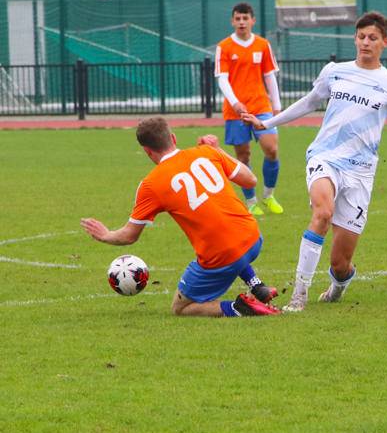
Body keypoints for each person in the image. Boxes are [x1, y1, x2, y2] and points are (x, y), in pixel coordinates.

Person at [243, 11, 387, 312]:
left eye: (373, 38)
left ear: (385, 43)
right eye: (361, 37)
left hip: (361, 173)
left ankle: (339, 284)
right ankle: (298, 297)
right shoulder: (334, 71)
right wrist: (268, 123)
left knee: (340, 263)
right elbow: (310, 102)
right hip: (324, 157)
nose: (366, 42)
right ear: (355, 38)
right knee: (323, 212)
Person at [80, 117, 280, 317]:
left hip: (223, 256)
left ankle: (240, 308)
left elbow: (129, 236)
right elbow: (250, 180)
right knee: (227, 234)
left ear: (147, 151)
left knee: (181, 307)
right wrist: (218, 150)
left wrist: (106, 234)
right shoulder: (207, 152)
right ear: (173, 138)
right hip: (254, 238)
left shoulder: (151, 184)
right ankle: (257, 286)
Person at [216, 2, 284, 216]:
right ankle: (251, 201)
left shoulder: (262, 45)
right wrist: (235, 103)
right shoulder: (224, 47)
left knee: (271, 149)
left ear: (252, 21)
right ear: (232, 21)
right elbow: (222, 79)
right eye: (238, 19)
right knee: (243, 157)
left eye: (245, 18)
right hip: (235, 111)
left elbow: (269, 75)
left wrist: (277, 106)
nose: (242, 22)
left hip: (260, 106)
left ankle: (269, 195)